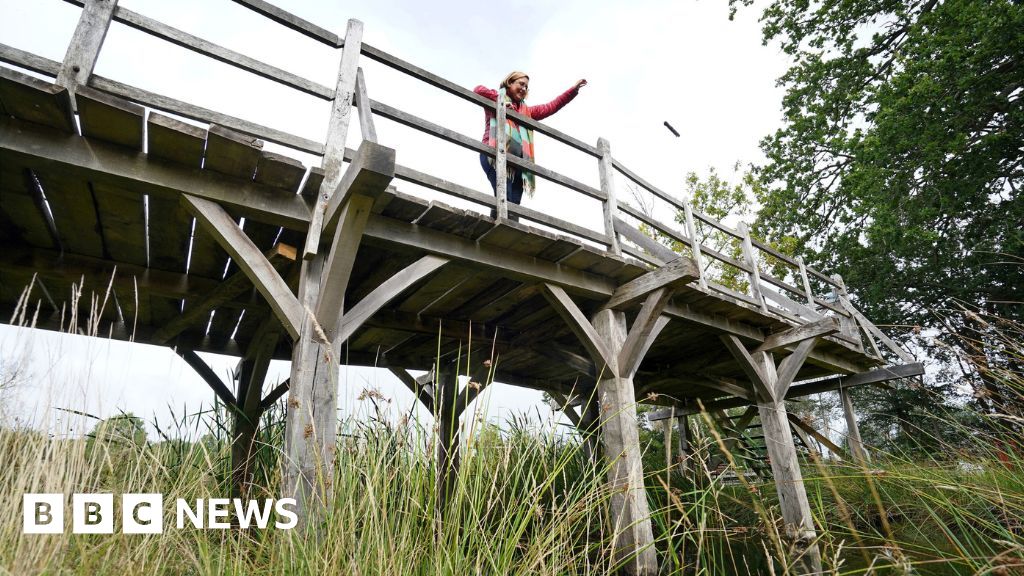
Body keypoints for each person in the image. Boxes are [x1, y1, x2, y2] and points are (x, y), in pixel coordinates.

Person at [474, 72, 587, 218]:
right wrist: (500, 101)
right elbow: (478, 89)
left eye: (526, 87)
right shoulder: (496, 97)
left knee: (514, 204)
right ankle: (498, 224)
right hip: (493, 155)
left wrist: (573, 90)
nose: (524, 88)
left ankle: (505, 228)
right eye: (521, 84)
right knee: (504, 195)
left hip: (518, 163)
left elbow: (551, 106)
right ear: (510, 82)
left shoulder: (527, 112)